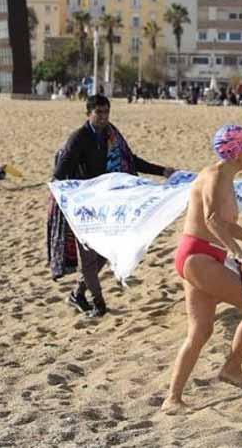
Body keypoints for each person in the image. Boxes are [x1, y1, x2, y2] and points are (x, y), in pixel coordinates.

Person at [162, 125, 242, 414]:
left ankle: (172, 399)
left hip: (200, 256)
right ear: (237, 151)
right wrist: (238, 254)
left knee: (200, 330)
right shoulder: (213, 176)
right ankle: (232, 368)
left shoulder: (226, 177)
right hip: (198, 257)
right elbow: (212, 220)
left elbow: (226, 224)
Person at [52, 94, 175, 318]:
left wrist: (162, 171)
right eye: (98, 112)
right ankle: (99, 303)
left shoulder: (111, 135)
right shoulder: (78, 138)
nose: (103, 117)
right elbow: (59, 174)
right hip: (84, 207)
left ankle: (78, 293)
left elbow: (130, 160)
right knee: (89, 257)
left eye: (106, 112)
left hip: (106, 204)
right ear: (88, 113)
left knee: (104, 252)